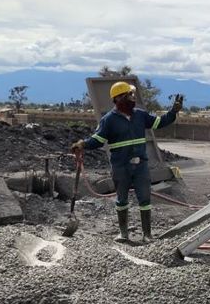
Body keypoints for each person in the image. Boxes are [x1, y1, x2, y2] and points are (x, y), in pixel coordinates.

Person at [72, 82, 183, 242]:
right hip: (120, 167)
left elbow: (159, 122)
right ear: (119, 98)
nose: (133, 97)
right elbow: (98, 140)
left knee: (145, 199)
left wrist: (173, 112)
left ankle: (147, 235)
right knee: (122, 199)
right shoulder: (109, 120)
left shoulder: (140, 115)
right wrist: (82, 144)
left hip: (140, 166)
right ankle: (124, 234)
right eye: (130, 95)